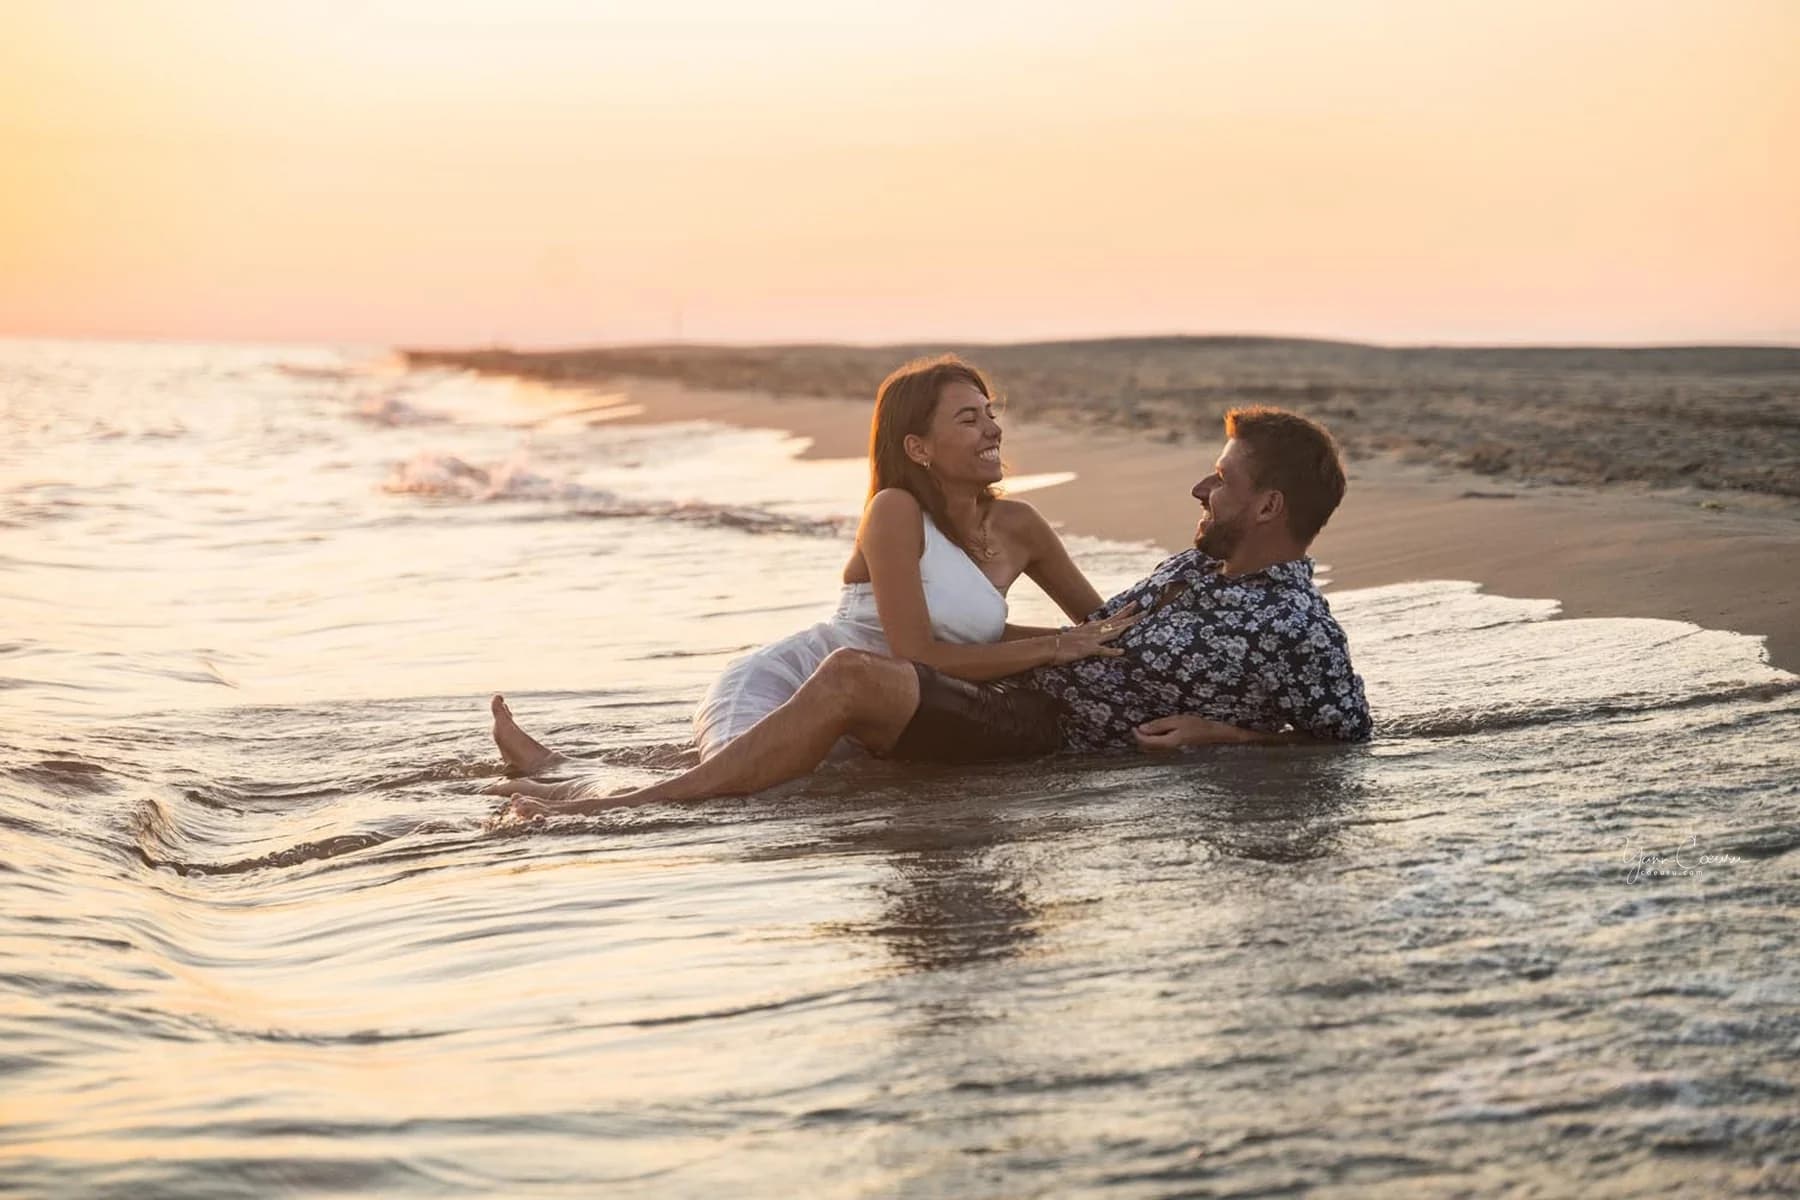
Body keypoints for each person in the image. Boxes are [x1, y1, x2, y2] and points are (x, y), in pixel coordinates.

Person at [491, 405, 1370, 821]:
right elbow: (1092, 637)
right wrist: (1059, 646)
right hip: (1022, 699)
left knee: (850, 681)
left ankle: (629, 807)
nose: (1201, 486)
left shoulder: (1297, 625)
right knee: (797, 723)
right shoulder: (1195, 566)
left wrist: (1225, 738)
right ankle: (577, 773)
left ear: (1268, 509)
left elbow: (1348, 733)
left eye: (1222, 480)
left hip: (1038, 734)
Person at [487, 354, 1138, 787]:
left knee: (751, 780)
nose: (991, 429)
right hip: (790, 683)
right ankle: (585, 795)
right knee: (730, 792)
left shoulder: (1020, 526)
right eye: (968, 419)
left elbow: (1101, 625)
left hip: (871, 705)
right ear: (919, 447)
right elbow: (918, 651)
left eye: (991, 413)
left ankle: (563, 769)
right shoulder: (895, 510)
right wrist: (1054, 647)